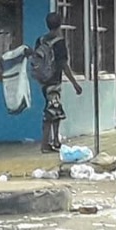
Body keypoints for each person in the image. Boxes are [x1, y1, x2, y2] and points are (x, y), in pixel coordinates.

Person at [37, 11, 82, 153]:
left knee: (55, 110)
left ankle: (56, 140)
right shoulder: (59, 42)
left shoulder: (40, 40)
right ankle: (45, 144)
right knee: (50, 112)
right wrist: (75, 83)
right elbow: (63, 64)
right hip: (54, 81)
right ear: (60, 24)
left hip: (44, 82)